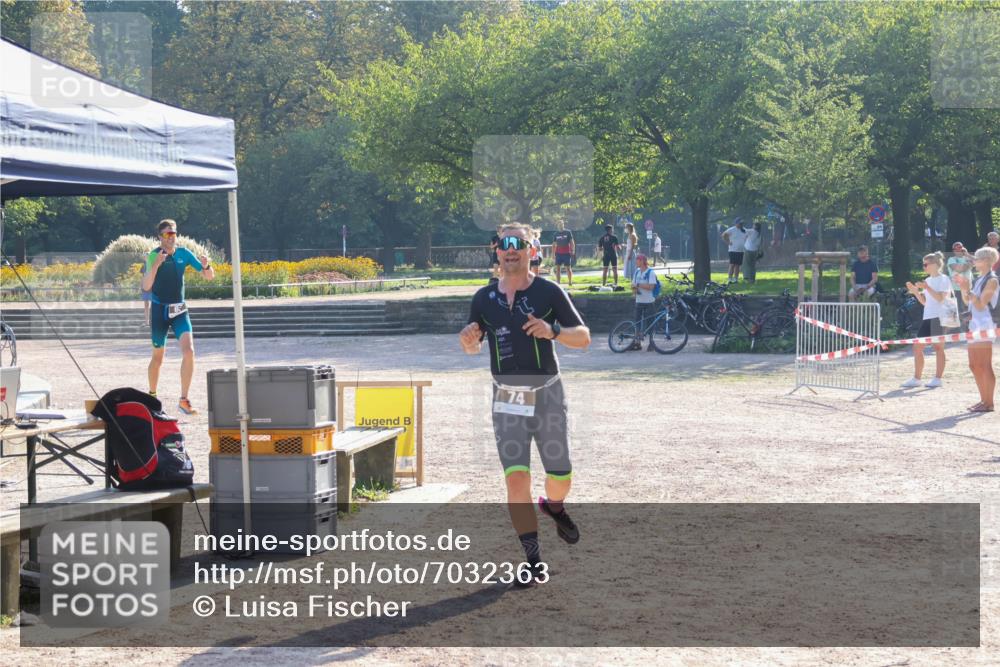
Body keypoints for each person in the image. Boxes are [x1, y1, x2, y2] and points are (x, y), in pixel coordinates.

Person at [458, 222, 591, 587]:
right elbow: (472, 346)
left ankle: (554, 506)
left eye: (518, 243)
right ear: (497, 251)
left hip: (547, 393)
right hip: (507, 397)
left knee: (560, 477)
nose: (510, 249)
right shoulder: (484, 299)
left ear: (533, 250)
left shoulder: (549, 292)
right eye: (503, 243)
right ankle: (533, 561)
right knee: (516, 478)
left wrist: (553, 331)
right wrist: (467, 341)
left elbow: (584, 338)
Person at [141, 219, 214, 415]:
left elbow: (209, 276)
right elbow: (146, 286)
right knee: (158, 358)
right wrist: (156, 265)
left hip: (180, 310)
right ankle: (152, 397)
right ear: (160, 237)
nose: (171, 237)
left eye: (173, 233)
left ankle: (184, 400)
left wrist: (206, 266)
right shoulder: (154, 255)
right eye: (167, 234)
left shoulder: (184, 253)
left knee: (189, 351)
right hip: (159, 311)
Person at [955, 247, 999, 412]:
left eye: (977, 258)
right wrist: (964, 288)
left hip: (985, 326)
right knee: (974, 365)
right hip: (974, 325)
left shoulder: (992, 280)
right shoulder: (980, 278)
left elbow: (980, 305)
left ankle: (989, 402)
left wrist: (968, 289)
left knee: (984, 365)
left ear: (986, 261)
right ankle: (983, 400)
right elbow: (968, 302)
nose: (974, 261)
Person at [900, 253, 951, 389]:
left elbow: (941, 298)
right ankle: (916, 379)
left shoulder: (944, 279)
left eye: (925, 264)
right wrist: (915, 292)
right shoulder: (928, 280)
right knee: (917, 347)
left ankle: (937, 379)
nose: (924, 267)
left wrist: (926, 287)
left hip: (940, 317)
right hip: (928, 316)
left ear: (935, 264)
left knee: (938, 347)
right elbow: (925, 302)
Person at [631, 254, 658, 351]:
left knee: (650, 323)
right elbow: (633, 285)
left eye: (637, 260)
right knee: (637, 322)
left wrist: (638, 285)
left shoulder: (650, 272)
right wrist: (634, 290)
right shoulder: (637, 272)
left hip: (649, 301)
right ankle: (637, 343)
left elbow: (651, 287)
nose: (636, 262)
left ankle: (651, 343)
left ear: (642, 261)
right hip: (639, 301)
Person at [722, 218, 747, 284]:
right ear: (736, 223)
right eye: (740, 223)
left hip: (741, 250)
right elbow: (724, 235)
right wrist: (728, 242)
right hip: (733, 250)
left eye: (742, 223)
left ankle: (736, 279)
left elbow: (747, 237)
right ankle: (730, 279)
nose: (741, 224)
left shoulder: (744, 230)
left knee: (737, 265)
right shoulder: (731, 229)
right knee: (732, 264)